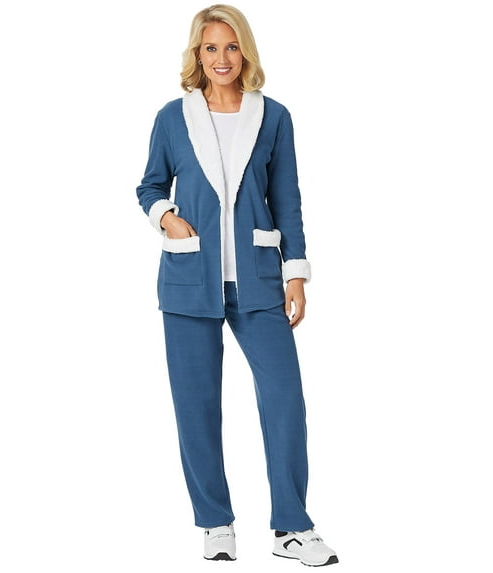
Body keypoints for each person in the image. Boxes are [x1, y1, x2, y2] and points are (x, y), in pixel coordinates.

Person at [136, 4, 338, 567]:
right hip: (188, 280)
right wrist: (166, 217)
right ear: (197, 55)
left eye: (231, 47)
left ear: (244, 51)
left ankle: (291, 528)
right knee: (196, 407)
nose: (221, 58)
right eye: (210, 48)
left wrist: (296, 272)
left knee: (285, 399)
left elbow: (287, 198)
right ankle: (215, 523)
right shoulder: (172, 117)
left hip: (259, 279)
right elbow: (149, 186)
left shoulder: (273, 117)